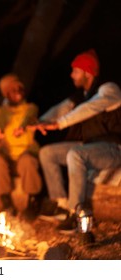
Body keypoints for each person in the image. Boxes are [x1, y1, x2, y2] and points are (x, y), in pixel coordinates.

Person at [35, 49, 121, 233]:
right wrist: (36, 124)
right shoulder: (81, 95)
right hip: (90, 146)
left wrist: (60, 124)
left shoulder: (109, 89)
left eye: (75, 71)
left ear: (87, 72)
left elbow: (89, 108)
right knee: (47, 153)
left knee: (76, 154)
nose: (71, 75)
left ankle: (76, 213)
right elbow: (60, 109)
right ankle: (61, 205)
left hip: (113, 148)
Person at [0, 74, 42, 218]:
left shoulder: (30, 108)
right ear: (6, 93)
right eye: (13, 90)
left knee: (27, 161)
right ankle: (6, 203)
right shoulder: (1, 111)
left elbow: (29, 117)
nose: (18, 92)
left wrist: (23, 127)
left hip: (25, 153)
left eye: (20, 88)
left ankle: (32, 201)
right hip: (7, 156)